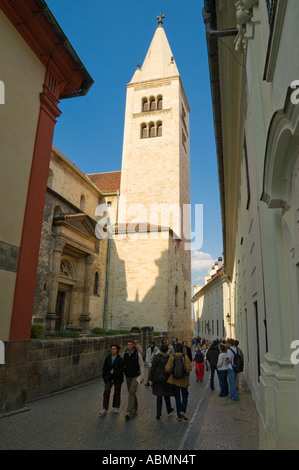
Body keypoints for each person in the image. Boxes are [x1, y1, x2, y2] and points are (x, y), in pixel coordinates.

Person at [165, 342, 192, 421]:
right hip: (183, 380)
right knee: (185, 396)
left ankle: (179, 416)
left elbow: (167, 368)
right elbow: (189, 368)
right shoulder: (185, 356)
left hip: (175, 380)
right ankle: (183, 411)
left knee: (177, 397)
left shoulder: (172, 356)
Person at [149, 344, 174, 419]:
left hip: (158, 378)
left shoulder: (156, 357)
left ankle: (158, 413)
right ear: (167, 350)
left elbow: (153, 368)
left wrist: (151, 377)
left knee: (159, 396)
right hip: (166, 378)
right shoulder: (169, 358)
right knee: (167, 395)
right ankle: (169, 409)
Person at [99, 344, 125, 416]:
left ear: (117, 350)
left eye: (114, 349)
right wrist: (104, 378)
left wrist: (115, 372)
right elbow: (105, 369)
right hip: (109, 378)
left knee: (117, 392)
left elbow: (122, 370)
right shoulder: (108, 358)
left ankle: (116, 407)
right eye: (112, 349)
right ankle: (105, 408)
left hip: (118, 378)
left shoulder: (120, 359)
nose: (113, 350)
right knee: (106, 392)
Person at [123, 340, 145, 419]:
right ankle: (135, 404)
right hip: (128, 375)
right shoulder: (125, 354)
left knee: (132, 391)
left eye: (130, 344)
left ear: (133, 345)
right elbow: (123, 365)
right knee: (131, 392)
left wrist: (142, 376)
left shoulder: (137, 354)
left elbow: (142, 365)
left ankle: (128, 411)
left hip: (136, 376)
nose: (129, 346)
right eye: (128, 344)